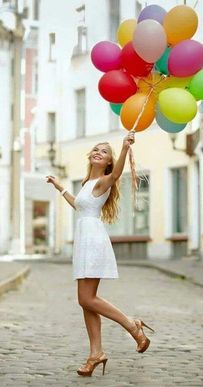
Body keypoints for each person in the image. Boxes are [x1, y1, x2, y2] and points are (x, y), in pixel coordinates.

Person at [46, 131, 155, 377]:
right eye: (96, 149)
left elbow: (117, 174)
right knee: (86, 301)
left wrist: (125, 148)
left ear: (108, 162)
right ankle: (96, 353)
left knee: (86, 298)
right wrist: (60, 186)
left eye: (104, 151)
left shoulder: (105, 180)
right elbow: (79, 206)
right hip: (84, 239)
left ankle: (131, 325)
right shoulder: (86, 185)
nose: (98, 152)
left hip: (93, 240)